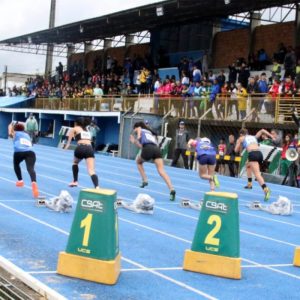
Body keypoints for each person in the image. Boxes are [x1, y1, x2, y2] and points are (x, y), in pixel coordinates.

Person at [129, 121, 176, 201]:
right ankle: (172, 189)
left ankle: (145, 180)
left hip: (148, 148)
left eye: (134, 129)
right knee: (161, 171)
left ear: (136, 127)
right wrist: (135, 142)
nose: (134, 131)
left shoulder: (139, 128)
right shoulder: (150, 133)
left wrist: (137, 138)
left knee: (138, 161)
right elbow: (142, 146)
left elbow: (141, 139)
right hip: (156, 150)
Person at [235, 128, 271, 201]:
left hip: (252, 154)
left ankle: (266, 189)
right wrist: (271, 136)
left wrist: (239, 143)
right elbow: (262, 130)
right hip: (259, 154)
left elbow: (236, 150)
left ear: (241, 134)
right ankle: (249, 184)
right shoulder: (253, 137)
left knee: (257, 174)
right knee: (248, 165)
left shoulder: (241, 138)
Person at [64, 117, 100, 189]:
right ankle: (97, 187)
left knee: (75, 163)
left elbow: (68, 142)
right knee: (91, 171)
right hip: (90, 149)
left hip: (80, 148)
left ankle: (75, 181)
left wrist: (65, 148)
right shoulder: (87, 130)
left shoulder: (75, 128)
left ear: (76, 123)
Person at [8, 122, 39, 198]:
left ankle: (20, 181)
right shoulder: (27, 135)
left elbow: (10, 132)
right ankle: (34, 182)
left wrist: (10, 125)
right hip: (31, 152)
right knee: (30, 168)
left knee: (16, 164)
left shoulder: (15, 133)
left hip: (19, 151)